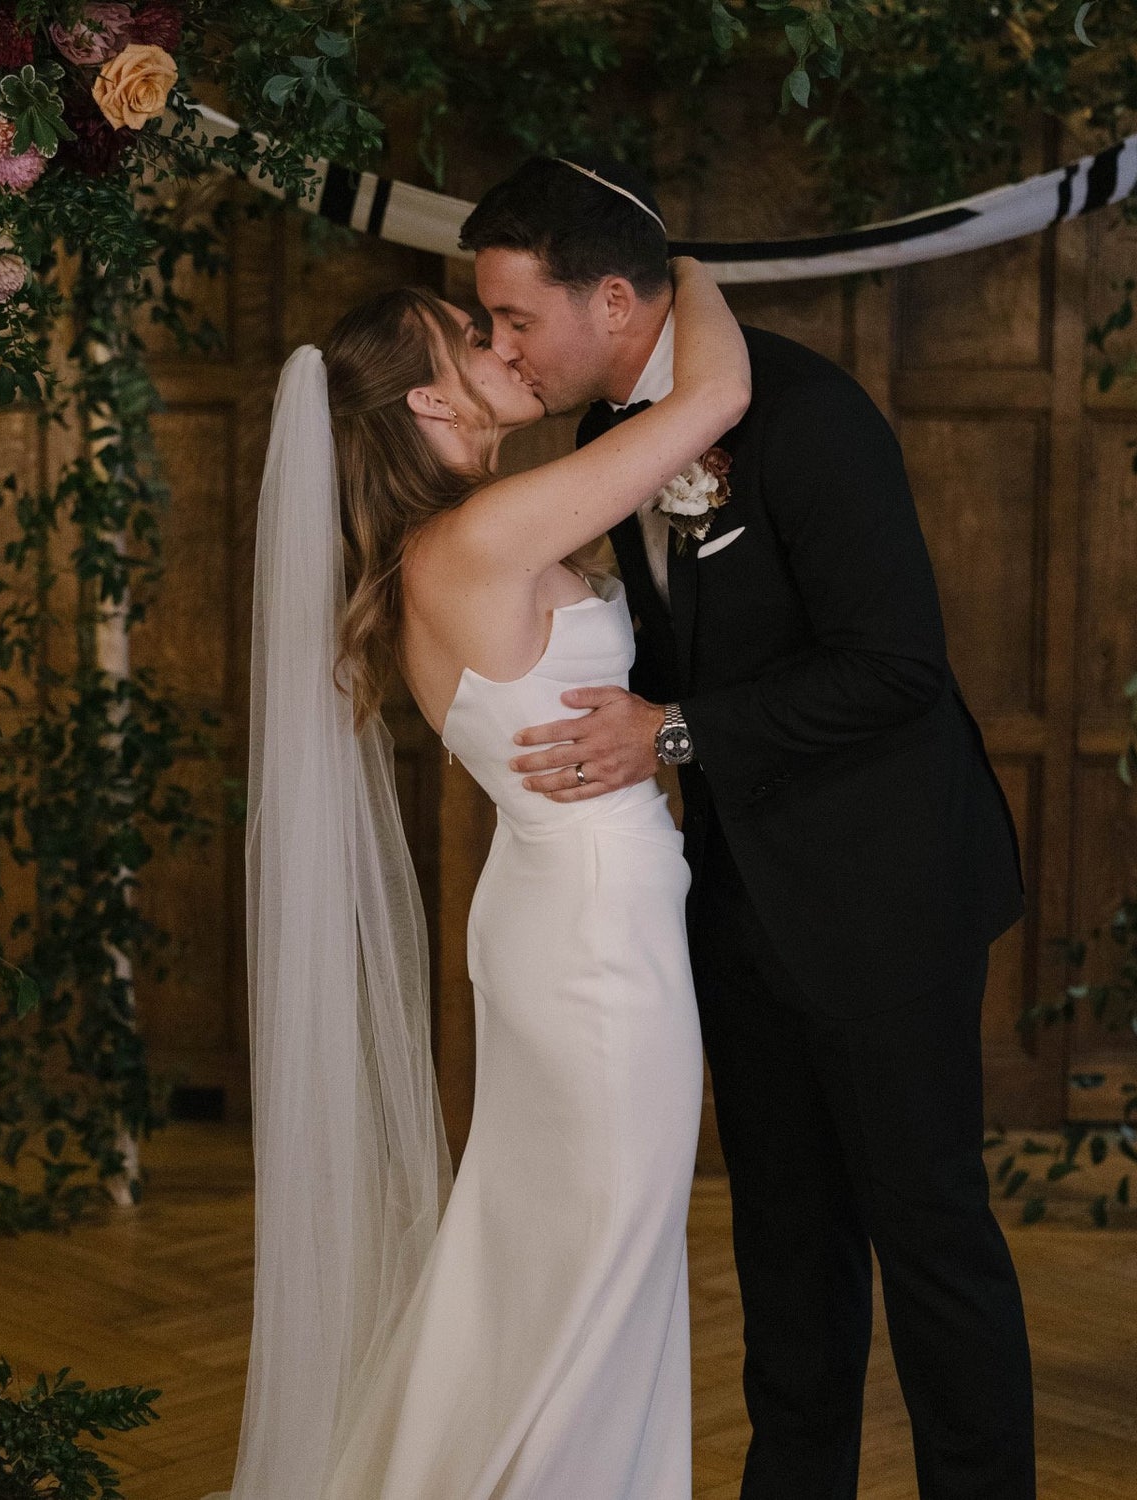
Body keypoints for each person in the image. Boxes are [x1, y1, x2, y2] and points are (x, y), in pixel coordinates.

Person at [459, 155, 1036, 1500]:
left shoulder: (812, 417)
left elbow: (893, 666)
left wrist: (669, 735)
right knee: (785, 1254)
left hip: (889, 902)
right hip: (734, 909)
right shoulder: (616, 448)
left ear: (613, 299)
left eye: (513, 320)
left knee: (931, 1240)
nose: (502, 348)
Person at [214, 255, 749, 1499]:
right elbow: (712, 397)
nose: (507, 347)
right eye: (472, 337)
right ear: (430, 407)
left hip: (568, 919)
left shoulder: (448, 546)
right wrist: (680, 270)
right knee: (598, 1259)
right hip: (590, 945)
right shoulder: (475, 539)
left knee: (552, 1259)